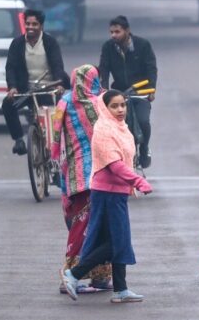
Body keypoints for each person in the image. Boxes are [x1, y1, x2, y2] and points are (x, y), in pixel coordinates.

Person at [61, 89, 153, 303]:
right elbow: (115, 165)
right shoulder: (103, 129)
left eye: (123, 105)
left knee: (116, 240)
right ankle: (73, 275)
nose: (120, 110)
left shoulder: (120, 127)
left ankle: (120, 289)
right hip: (108, 194)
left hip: (116, 193)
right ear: (105, 107)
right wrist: (138, 181)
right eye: (115, 106)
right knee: (116, 242)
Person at [51, 64, 112, 293]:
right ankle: (70, 274)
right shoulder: (100, 103)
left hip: (73, 174)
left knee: (82, 224)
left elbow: (55, 137)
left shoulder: (64, 102)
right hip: (98, 175)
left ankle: (98, 277)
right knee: (95, 226)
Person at [2, 9, 71, 155]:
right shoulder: (17, 43)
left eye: (34, 24)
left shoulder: (50, 42)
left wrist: (59, 84)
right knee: (7, 105)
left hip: (47, 88)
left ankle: (58, 146)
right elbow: (10, 68)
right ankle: (19, 140)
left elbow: (58, 65)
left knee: (60, 113)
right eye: (28, 24)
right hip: (25, 90)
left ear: (41, 26)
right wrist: (13, 87)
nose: (30, 27)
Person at [97, 15, 158, 168]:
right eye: (111, 32)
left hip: (141, 92)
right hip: (119, 92)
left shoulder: (143, 45)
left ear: (127, 31)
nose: (113, 35)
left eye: (117, 32)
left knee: (143, 121)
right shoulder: (108, 47)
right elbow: (103, 69)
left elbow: (151, 69)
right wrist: (103, 88)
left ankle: (144, 149)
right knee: (116, 124)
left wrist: (152, 89)